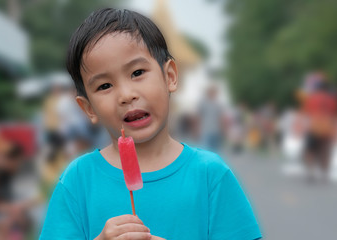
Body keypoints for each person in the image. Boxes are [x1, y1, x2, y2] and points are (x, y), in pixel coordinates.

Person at [39, 8, 262, 240]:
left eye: (137, 72)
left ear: (170, 77)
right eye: (104, 86)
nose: (126, 94)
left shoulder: (210, 175)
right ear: (88, 108)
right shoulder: (78, 180)